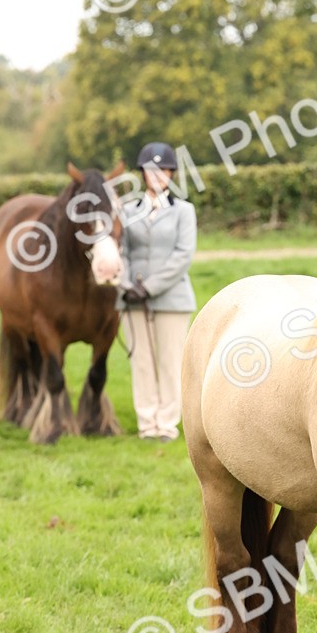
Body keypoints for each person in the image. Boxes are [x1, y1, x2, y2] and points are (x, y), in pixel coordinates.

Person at [118, 142, 197, 442]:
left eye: (163, 170)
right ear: (142, 174)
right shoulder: (127, 211)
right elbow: (120, 250)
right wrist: (127, 285)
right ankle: (146, 423)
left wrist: (148, 288)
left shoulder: (184, 212)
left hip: (171, 299)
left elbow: (182, 256)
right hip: (131, 299)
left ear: (171, 174)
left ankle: (166, 424)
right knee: (141, 362)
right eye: (151, 171)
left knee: (169, 361)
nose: (157, 176)